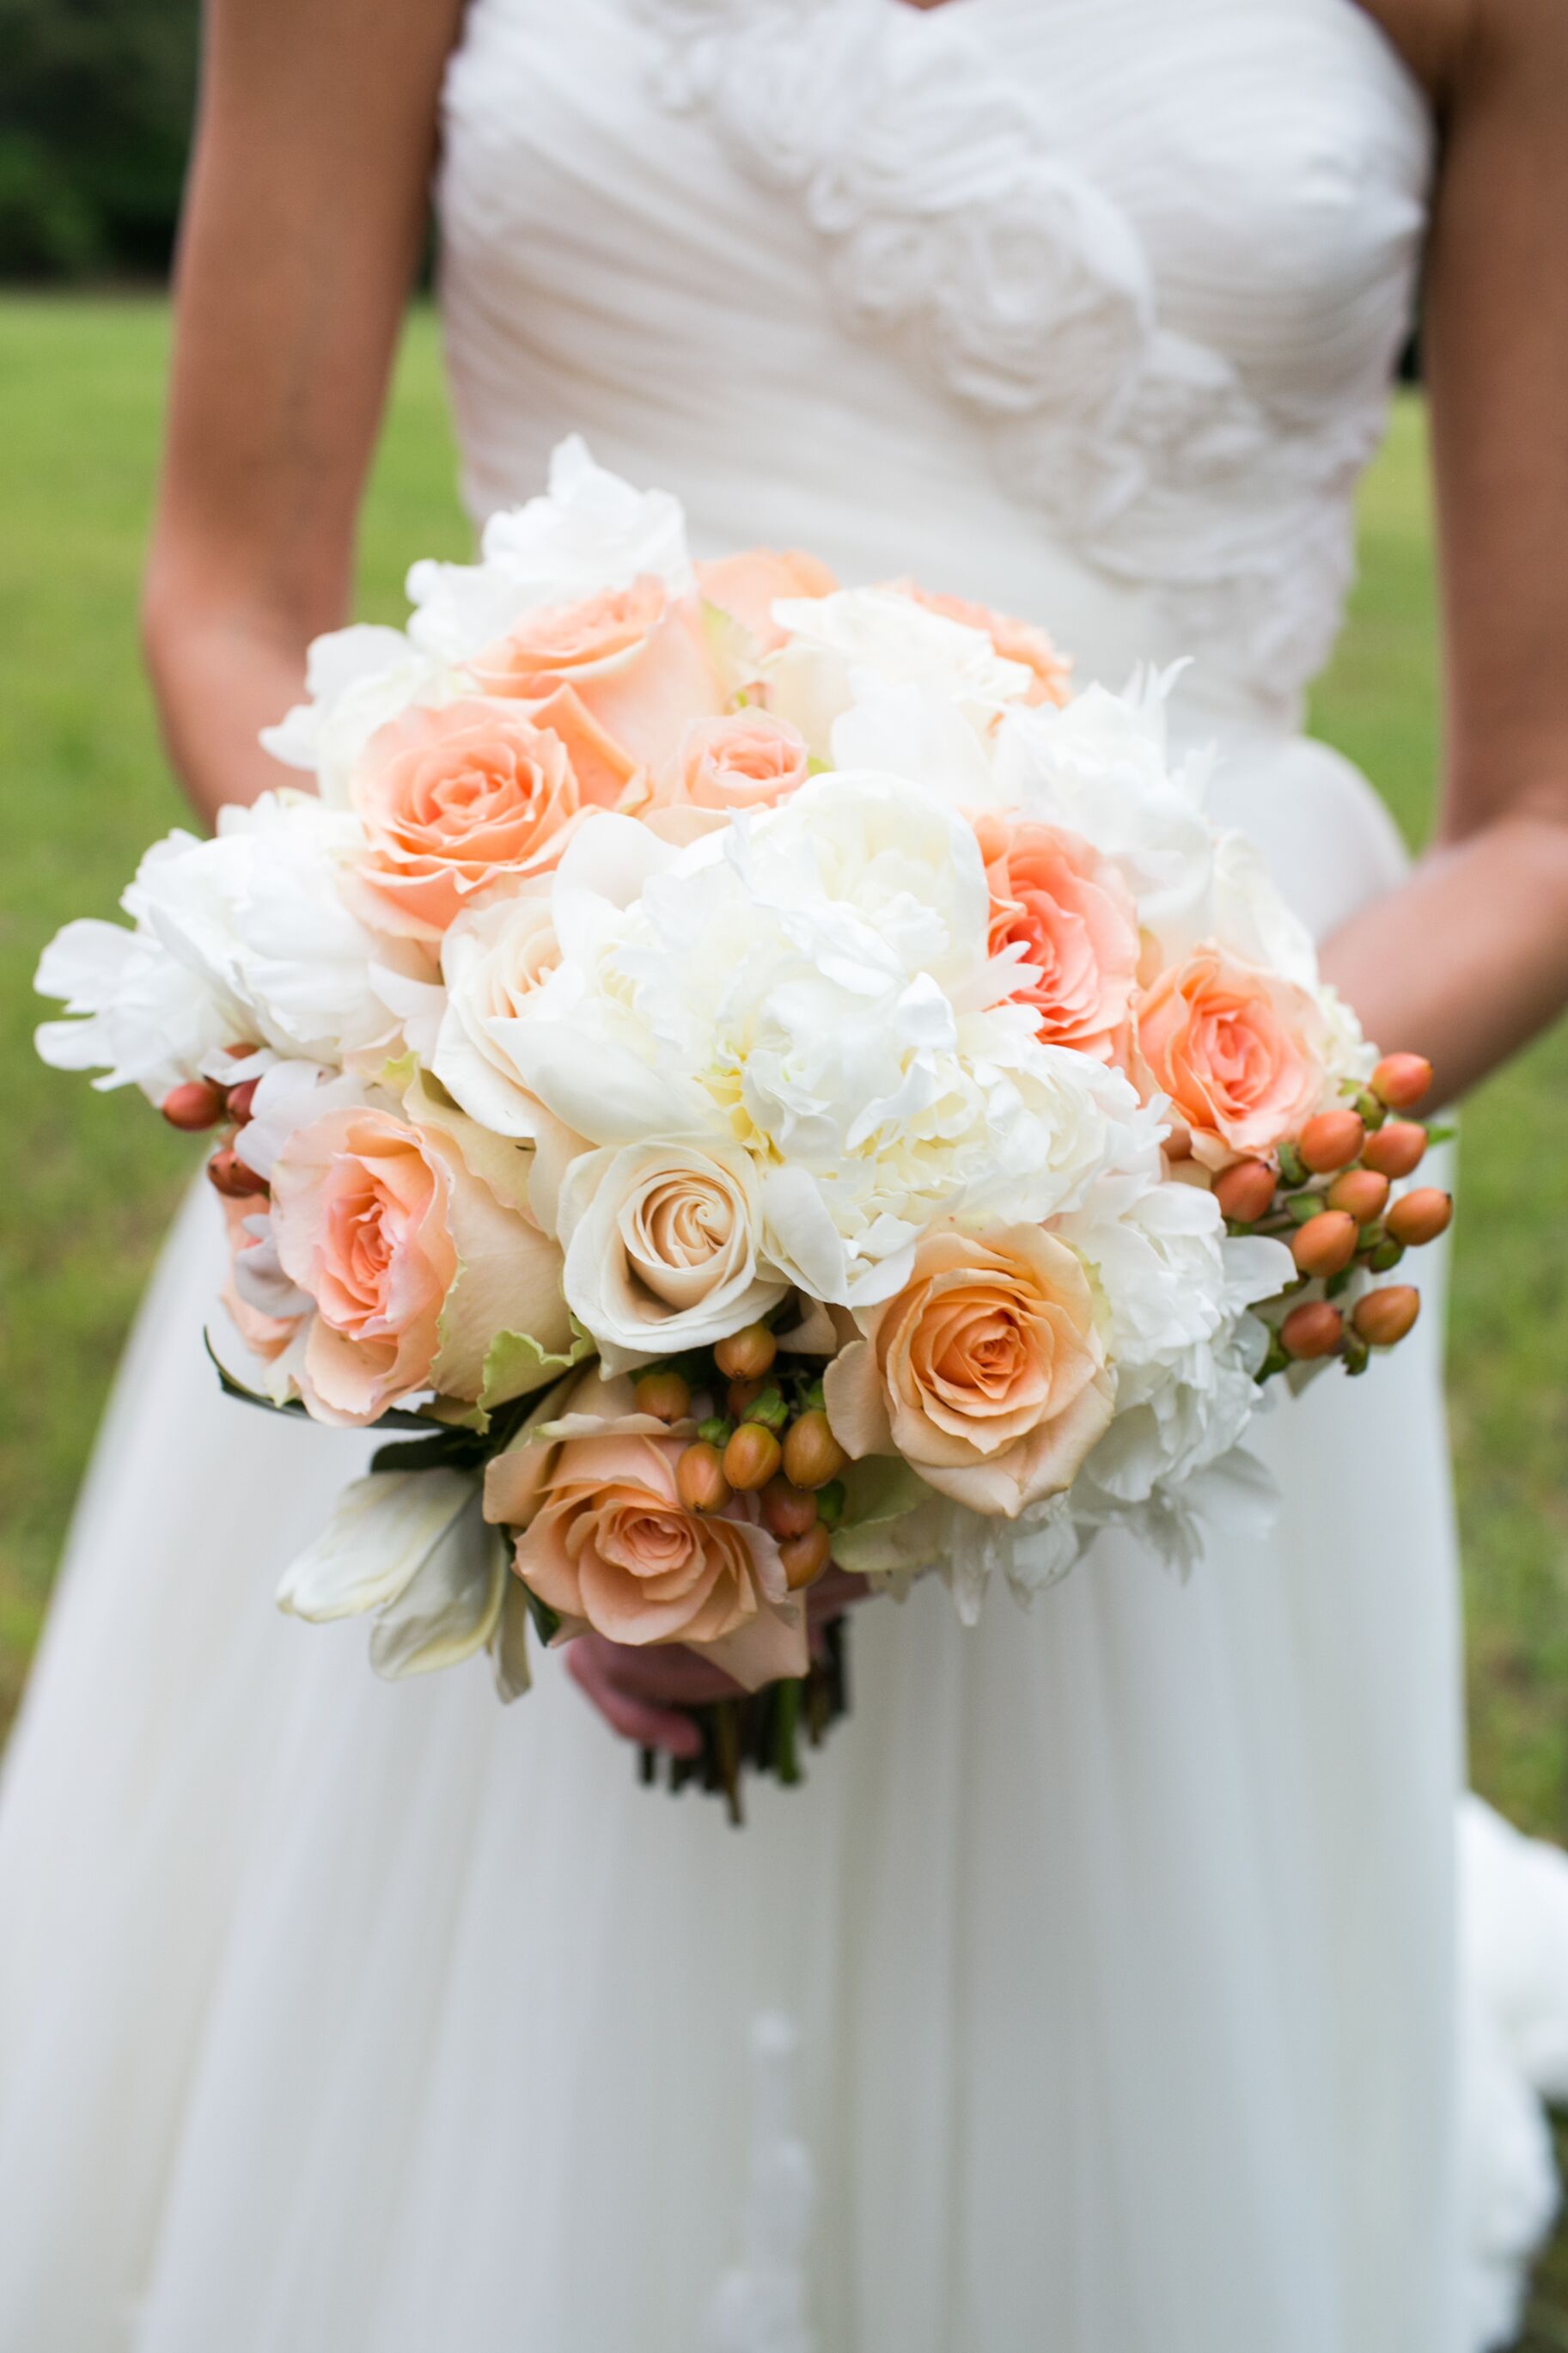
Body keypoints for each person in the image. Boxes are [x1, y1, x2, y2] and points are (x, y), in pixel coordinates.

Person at [3, 0, 1568, 2346]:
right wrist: (462, 1104)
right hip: (510, 1068)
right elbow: (232, 586)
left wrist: (1084, 1223)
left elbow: (1545, 805)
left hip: (1177, 1140)